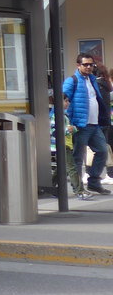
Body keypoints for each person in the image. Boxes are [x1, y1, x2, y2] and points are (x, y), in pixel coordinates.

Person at [61, 53, 111, 196]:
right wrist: (61, 121)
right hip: (79, 125)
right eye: (85, 64)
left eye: (91, 64)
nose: (88, 67)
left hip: (94, 124)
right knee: (77, 158)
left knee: (102, 151)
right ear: (78, 65)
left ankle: (94, 182)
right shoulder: (72, 80)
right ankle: (78, 189)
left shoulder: (92, 79)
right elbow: (62, 100)